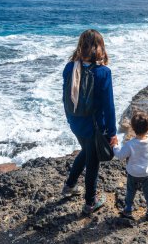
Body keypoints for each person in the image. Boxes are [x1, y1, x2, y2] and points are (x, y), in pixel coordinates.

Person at [61, 29, 118, 214]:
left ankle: (69, 186)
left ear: (81, 46)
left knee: (86, 151)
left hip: (76, 123)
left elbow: (65, 97)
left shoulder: (70, 67)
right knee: (93, 163)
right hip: (95, 127)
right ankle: (90, 203)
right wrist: (112, 133)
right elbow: (109, 106)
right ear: (99, 47)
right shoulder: (103, 72)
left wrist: (70, 120)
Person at [113, 112, 148, 217]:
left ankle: (128, 209)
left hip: (133, 173)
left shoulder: (130, 144)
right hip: (147, 172)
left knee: (130, 190)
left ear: (132, 128)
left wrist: (115, 145)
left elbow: (120, 155)